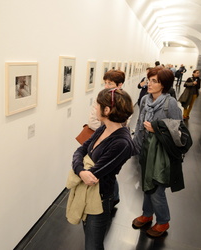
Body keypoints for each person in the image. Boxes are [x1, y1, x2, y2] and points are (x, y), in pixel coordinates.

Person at [69, 88, 135, 249]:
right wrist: (80, 170)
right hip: (89, 192)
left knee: (93, 245)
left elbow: (93, 175)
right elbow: (80, 150)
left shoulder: (122, 143)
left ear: (107, 110)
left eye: (97, 106)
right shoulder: (103, 128)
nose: (94, 109)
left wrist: (81, 169)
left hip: (100, 198)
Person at [132, 67, 183, 237]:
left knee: (157, 188)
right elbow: (139, 124)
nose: (149, 84)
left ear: (164, 85)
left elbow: (178, 130)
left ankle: (163, 221)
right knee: (147, 185)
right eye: (149, 80)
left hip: (161, 153)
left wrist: (156, 129)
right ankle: (147, 214)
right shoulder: (146, 99)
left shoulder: (171, 104)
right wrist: (136, 145)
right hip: (145, 149)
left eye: (154, 81)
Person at [88, 70, 125, 207]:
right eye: (105, 82)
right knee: (103, 171)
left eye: (110, 83)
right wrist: (107, 127)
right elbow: (92, 121)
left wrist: (109, 126)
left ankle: (110, 198)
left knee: (109, 172)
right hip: (101, 139)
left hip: (113, 142)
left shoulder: (124, 100)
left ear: (120, 85)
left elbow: (124, 122)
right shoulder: (101, 98)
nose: (106, 86)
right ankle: (112, 198)